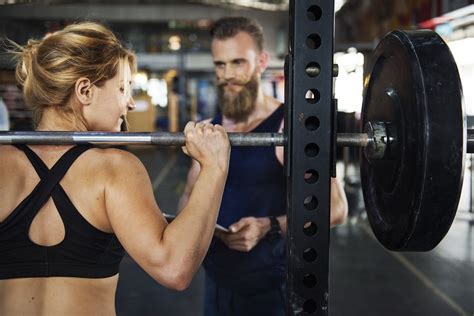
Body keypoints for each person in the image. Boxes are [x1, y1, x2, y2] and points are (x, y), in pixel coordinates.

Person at [0, 21, 230, 316]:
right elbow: (175, 268)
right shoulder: (114, 169)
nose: (131, 103)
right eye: (123, 88)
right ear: (85, 90)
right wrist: (214, 166)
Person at [179, 17, 348, 316]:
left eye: (238, 62)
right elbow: (189, 198)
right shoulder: (208, 129)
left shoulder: (290, 128)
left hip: (269, 290)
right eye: (220, 64)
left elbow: (336, 208)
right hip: (216, 283)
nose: (228, 74)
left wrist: (268, 226)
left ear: (262, 61)